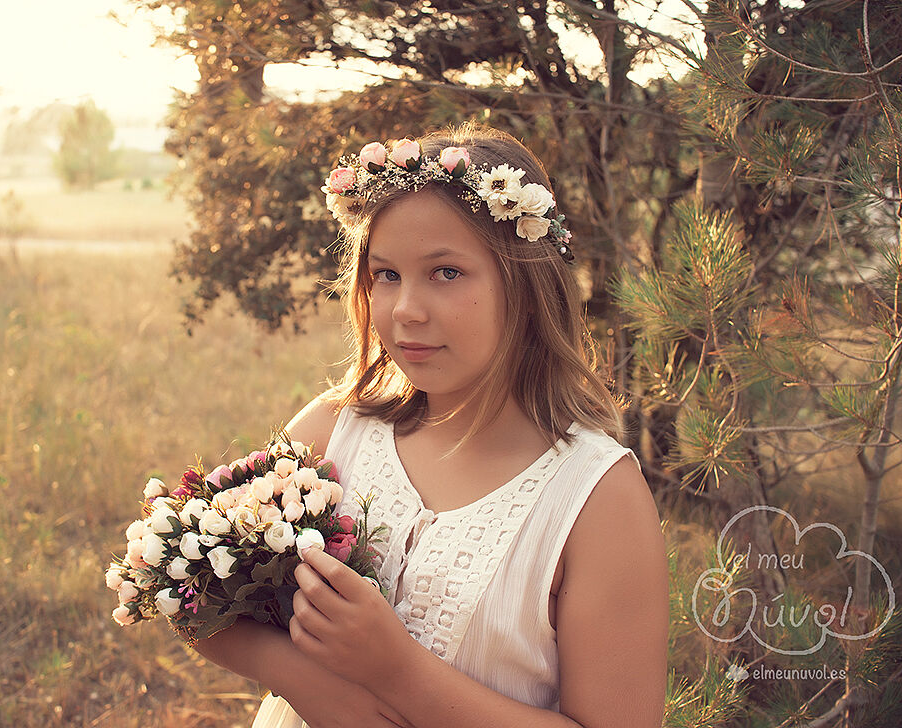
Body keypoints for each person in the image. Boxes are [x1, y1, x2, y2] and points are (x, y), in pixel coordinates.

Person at [193, 124, 669, 728]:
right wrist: (309, 685)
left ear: (523, 285)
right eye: (386, 274)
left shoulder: (595, 498)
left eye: (445, 272)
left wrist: (395, 670)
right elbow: (184, 588)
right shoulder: (331, 434)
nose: (405, 310)